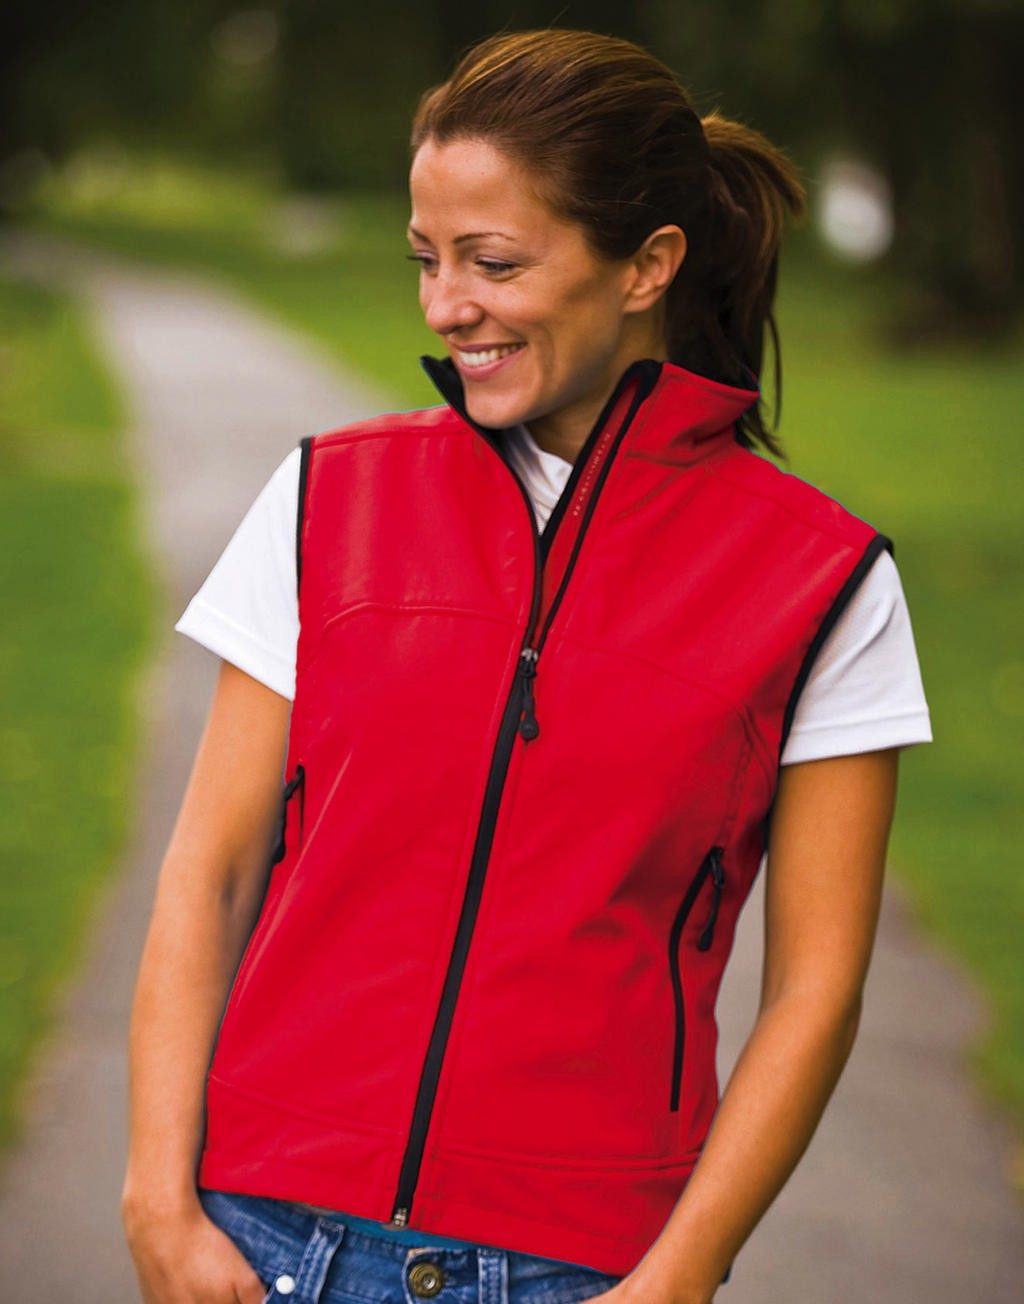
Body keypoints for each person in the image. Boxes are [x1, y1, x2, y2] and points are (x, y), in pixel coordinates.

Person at [122, 27, 933, 1304]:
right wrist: (158, 1197)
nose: (445, 305)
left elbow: (815, 987)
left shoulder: (820, 581)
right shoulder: (329, 496)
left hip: (571, 1266)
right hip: (264, 1235)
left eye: (493, 261)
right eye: (427, 258)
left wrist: (677, 1275)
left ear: (647, 264)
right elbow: (209, 867)